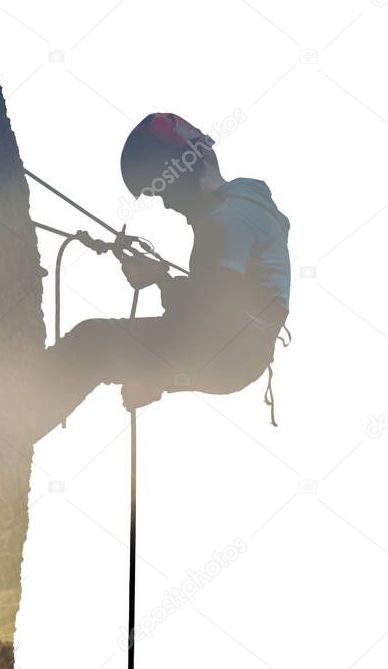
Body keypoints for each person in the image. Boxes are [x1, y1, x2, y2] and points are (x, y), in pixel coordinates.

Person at [38, 112, 290, 431]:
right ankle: (14, 426)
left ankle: (12, 421)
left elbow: (213, 310)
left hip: (227, 349)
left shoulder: (229, 217)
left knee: (90, 343)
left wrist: (160, 282)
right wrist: (160, 375)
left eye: (167, 189)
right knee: (95, 345)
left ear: (191, 167)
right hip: (236, 354)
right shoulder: (244, 209)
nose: (167, 204)